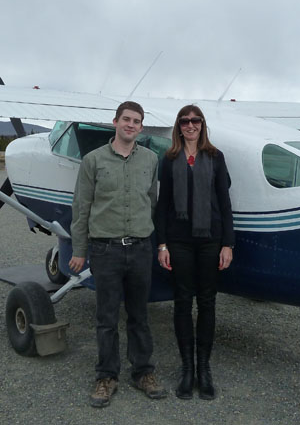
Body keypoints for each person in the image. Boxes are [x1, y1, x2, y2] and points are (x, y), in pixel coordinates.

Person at [69, 101, 167, 408]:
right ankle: (106, 376)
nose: (131, 125)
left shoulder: (151, 160)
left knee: (139, 315)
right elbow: (82, 207)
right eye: (126, 119)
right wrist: (80, 250)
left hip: (140, 249)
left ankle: (143, 372)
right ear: (115, 122)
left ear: (141, 127)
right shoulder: (93, 160)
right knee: (106, 318)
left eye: (137, 121)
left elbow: (152, 201)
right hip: (105, 251)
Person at [155, 104, 234, 400]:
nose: (190, 125)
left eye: (195, 121)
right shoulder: (170, 158)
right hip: (179, 240)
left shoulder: (215, 157)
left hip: (210, 239)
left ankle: (205, 369)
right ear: (178, 126)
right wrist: (161, 244)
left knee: (208, 302)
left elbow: (225, 202)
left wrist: (228, 243)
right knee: (182, 302)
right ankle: (187, 369)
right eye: (185, 121)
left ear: (202, 124)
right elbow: (162, 205)